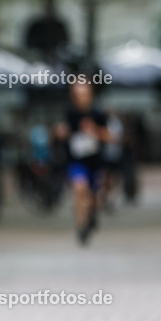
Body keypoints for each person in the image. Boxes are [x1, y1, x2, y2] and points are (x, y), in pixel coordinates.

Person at [55, 81, 111, 244]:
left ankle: (92, 214)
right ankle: (81, 226)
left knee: (93, 195)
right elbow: (61, 132)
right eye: (77, 94)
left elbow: (109, 137)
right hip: (76, 161)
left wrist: (94, 130)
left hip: (95, 161)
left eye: (84, 94)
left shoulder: (99, 114)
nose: (81, 98)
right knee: (79, 188)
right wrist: (60, 133)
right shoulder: (69, 114)